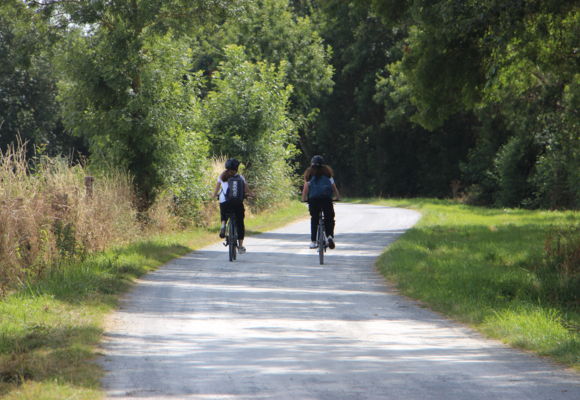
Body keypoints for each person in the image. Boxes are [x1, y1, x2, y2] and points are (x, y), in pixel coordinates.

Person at [301, 155, 340, 249]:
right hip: (326, 199)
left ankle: (313, 241)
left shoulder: (309, 174)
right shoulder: (327, 174)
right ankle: (329, 236)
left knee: (314, 219)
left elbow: (306, 188)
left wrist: (304, 198)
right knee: (329, 218)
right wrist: (337, 197)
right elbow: (334, 188)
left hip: (314, 200)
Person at [213, 158, 250, 254]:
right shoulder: (240, 178)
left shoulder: (222, 176)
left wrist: (214, 196)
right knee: (240, 222)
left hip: (224, 201)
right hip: (237, 203)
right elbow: (246, 190)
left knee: (224, 214)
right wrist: (251, 194)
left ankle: (223, 224)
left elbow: (216, 189)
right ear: (236, 168)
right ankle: (240, 246)